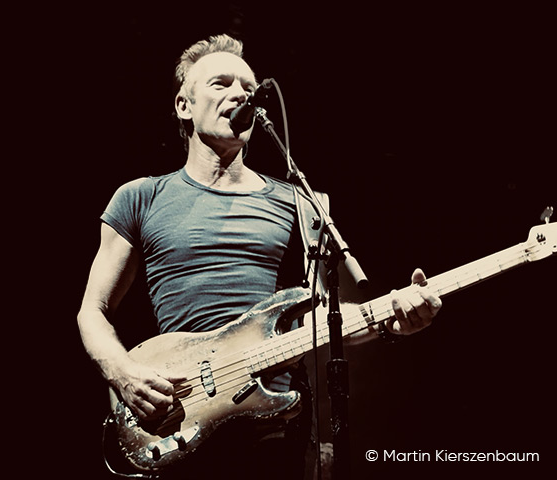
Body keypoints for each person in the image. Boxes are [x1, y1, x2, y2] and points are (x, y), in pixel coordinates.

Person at [77, 34, 442, 479]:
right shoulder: (140, 197)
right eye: (221, 83)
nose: (240, 94)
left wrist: (390, 320)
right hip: (181, 418)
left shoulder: (300, 203)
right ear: (184, 106)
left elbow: (323, 320)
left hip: (276, 426)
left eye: (248, 88)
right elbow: (92, 311)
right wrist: (122, 373)